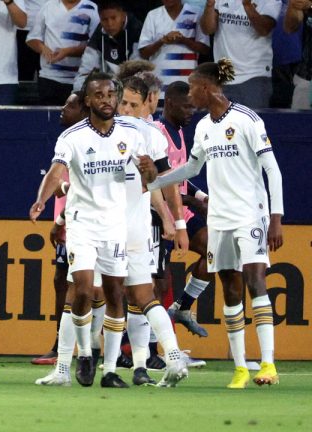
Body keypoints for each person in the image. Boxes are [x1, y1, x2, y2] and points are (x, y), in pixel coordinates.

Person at [147, 58, 284, 389]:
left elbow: (273, 170)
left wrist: (276, 219)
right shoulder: (205, 127)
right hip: (219, 217)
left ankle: (268, 364)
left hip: (250, 213)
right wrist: (151, 182)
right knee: (231, 288)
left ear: (206, 87)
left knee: (255, 280)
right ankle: (240, 369)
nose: (189, 94)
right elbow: (192, 169)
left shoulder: (247, 120)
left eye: (192, 86)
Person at [29, 71, 158, 387]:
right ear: (87, 100)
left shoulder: (130, 133)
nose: (107, 100)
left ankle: (110, 370)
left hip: (115, 226)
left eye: (110, 95)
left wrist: (149, 170)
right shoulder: (73, 137)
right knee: (84, 289)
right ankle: (85, 353)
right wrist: (41, 201)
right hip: (82, 224)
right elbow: (57, 171)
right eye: (99, 95)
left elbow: (151, 173)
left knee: (116, 294)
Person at [117, 75, 190, 387]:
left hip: (131, 225)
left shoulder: (148, 135)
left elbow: (165, 180)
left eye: (134, 104)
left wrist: (174, 219)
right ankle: (145, 363)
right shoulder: (104, 131)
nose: (126, 109)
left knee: (134, 295)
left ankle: (136, 364)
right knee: (134, 296)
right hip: (122, 223)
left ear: (147, 103)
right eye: (123, 103)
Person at [30, 91, 89, 365]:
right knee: (62, 281)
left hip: (81, 224)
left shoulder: (83, 139)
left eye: (71, 104)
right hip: (67, 224)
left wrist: (58, 220)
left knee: (76, 285)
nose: (63, 108)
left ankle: (71, 349)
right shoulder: (67, 140)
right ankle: (61, 346)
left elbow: (79, 188)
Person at [155, 81, 212, 339]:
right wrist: (194, 203)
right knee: (159, 283)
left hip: (182, 212)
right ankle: (150, 346)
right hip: (161, 215)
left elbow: (180, 177)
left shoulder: (178, 131)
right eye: (186, 107)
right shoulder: (158, 134)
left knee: (217, 252)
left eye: (193, 107)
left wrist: (202, 196)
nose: (192, 112)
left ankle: (183, 307)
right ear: (169, 103)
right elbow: (157, 184)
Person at [200, 0, 282, 108]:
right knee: (222, 124)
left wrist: (247, 5)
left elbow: (263, 29)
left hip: (254, 74)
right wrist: (209, 5)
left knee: (250, 123)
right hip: (224, 73)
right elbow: (208, 29)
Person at [26, 0, 100, 105]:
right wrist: (43, 48)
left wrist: (69, 51)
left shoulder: (92, 9)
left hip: (79, 80)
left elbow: (96, 46)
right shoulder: (48, 6)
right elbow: (32, 38)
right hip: (49, 78)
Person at [138, 0, 210, 100]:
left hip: (187, 85)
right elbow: (143, 53)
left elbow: (205, 49)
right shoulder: (153, 15)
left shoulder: (196, 13)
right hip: (158, 87)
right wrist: (162, 41)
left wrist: (184, 40)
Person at [74, 1, 143, 91]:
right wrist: (78, 94)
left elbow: (138, 72)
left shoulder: (137, 31)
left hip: (132, 90)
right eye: (104, 19)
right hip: (108, 89)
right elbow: (85, 71)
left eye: (113, 18)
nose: (109, 24)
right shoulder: (99, 34)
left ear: (123, 15)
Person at [284, 0, 312, 109]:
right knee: (299, 123)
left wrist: (310, 5)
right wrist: (293, 6)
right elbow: (289, 28)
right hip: (306, 76)